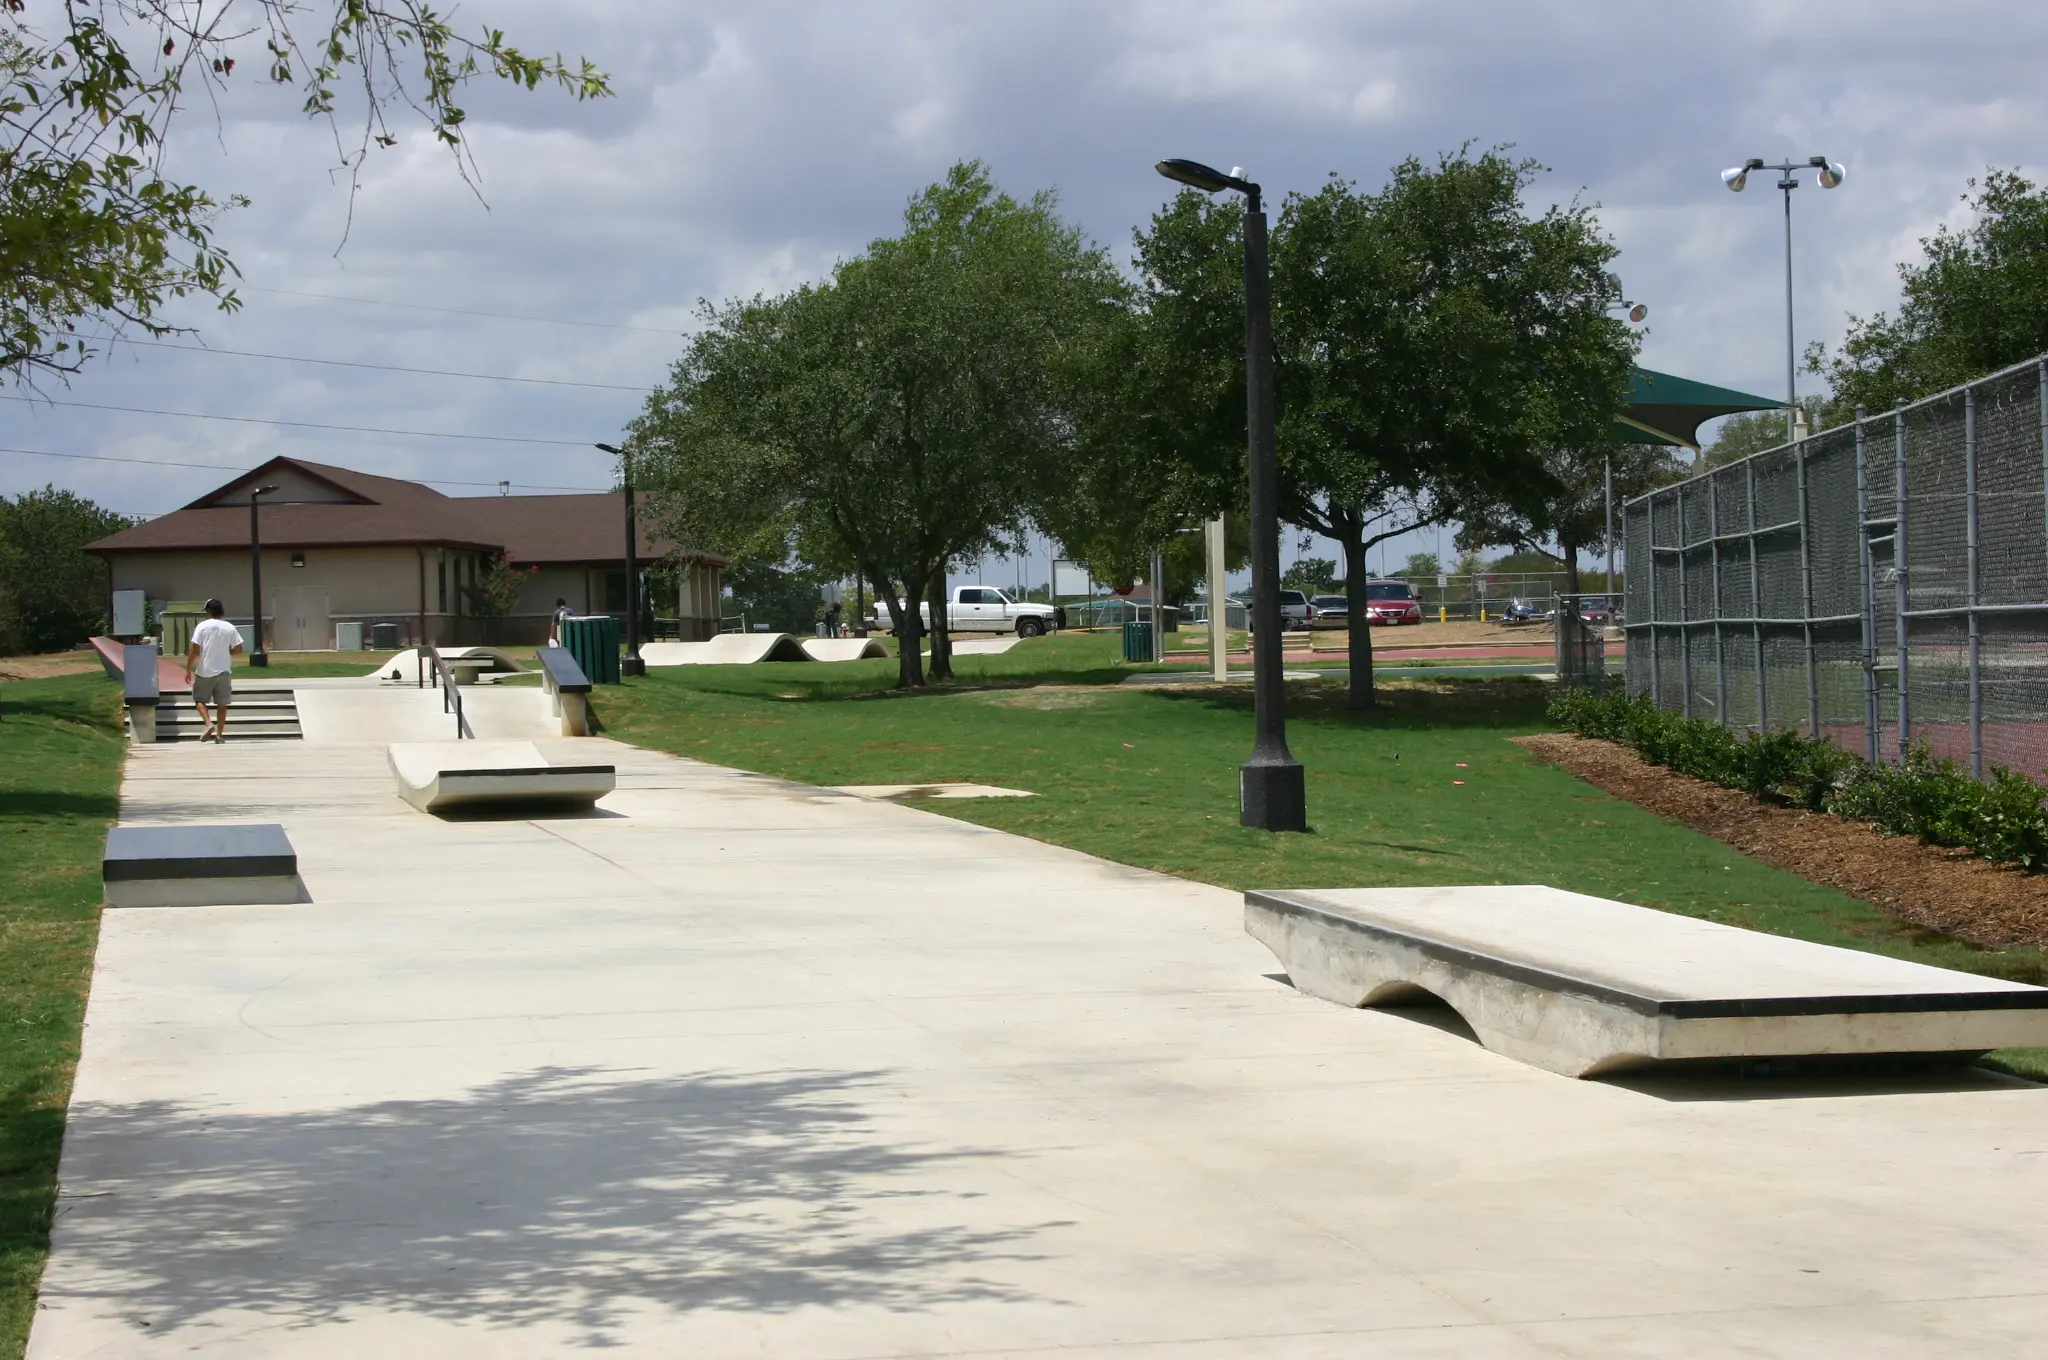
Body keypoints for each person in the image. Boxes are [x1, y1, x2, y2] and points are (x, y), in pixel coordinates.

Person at [184, 598, 245, 744]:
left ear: (209, 611)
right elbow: (239, 649)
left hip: (205, 670)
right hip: (224, 670)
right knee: (222, 704)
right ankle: (219, 735)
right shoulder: (229, 627)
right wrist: (226, 653)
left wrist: (188, 669)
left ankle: (208, 723)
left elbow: (194, 650)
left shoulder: (202, 627)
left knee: (199, 700)